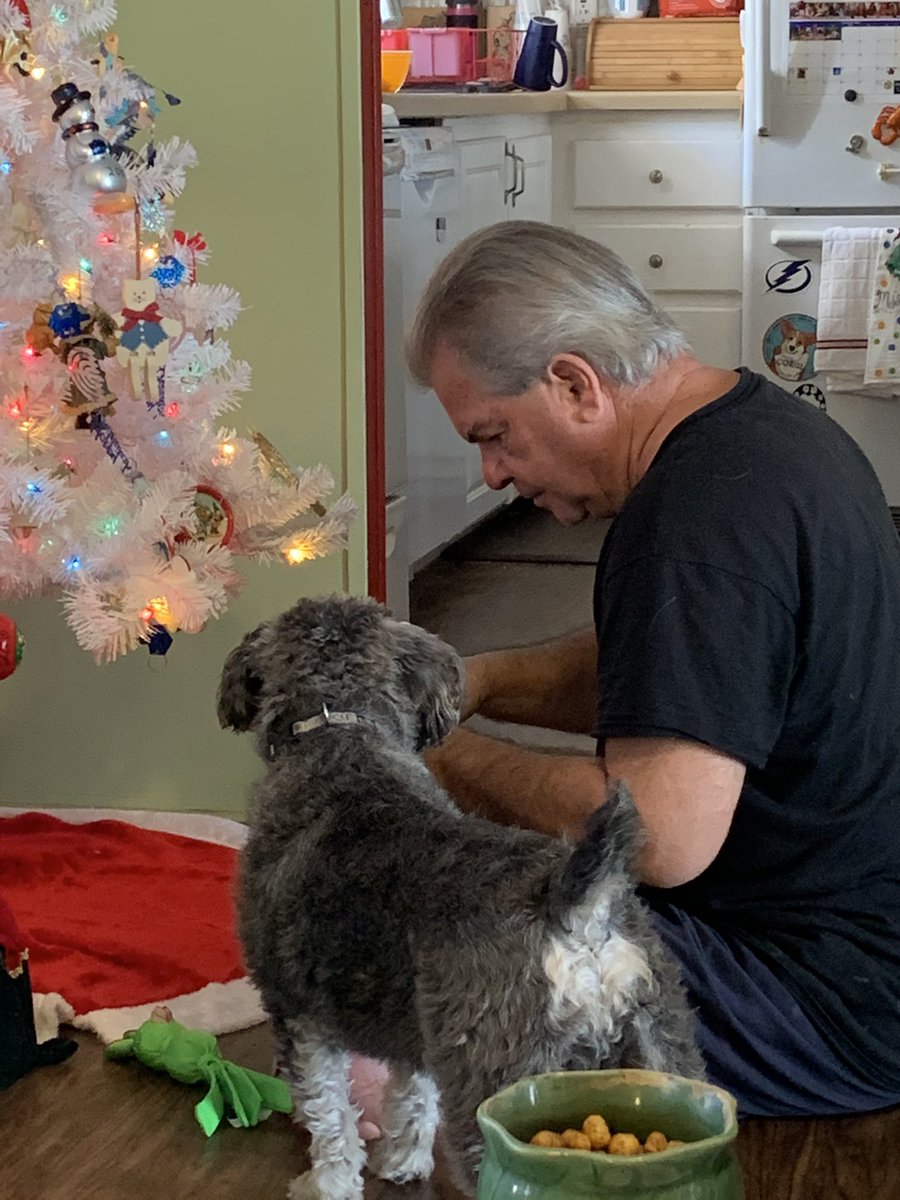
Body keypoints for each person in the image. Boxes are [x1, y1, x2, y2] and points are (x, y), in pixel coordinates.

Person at [405, 220, 900, 1119]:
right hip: (863, 949)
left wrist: (441, 759)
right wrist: (478, 682)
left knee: (435, 933)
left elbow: (660, 837)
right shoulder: (770, 433)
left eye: (496, 435)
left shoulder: (689, 525)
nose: (493, 473)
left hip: (817, 999)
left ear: (574, 383)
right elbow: (680, 670)